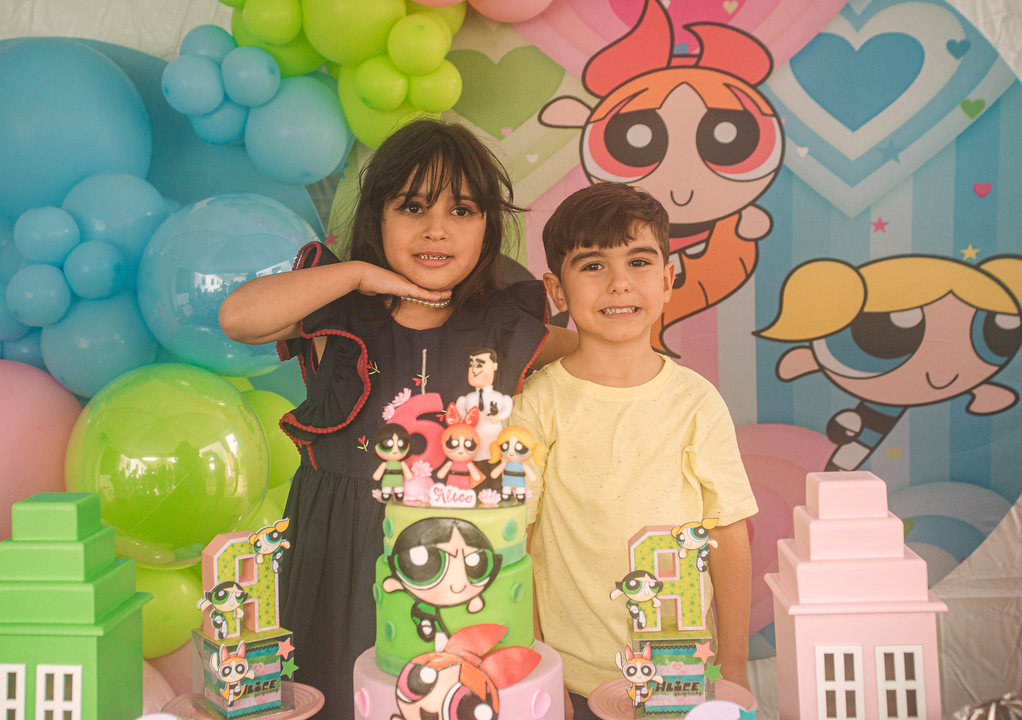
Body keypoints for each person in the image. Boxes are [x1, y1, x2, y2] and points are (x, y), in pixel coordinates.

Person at [217, 119, 576, 719]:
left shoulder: (504, 323)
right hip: (336, 549)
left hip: (455, 561)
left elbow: (595, 356)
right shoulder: (339, 308)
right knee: (335, 696)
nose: (437, 228)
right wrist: (359, 274)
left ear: (488, 226)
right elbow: (238, 318)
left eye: (462, 210)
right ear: (377, 216)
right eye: (412, 207)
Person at [511, 183, 758, 720]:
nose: (619, 283)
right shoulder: (536, 404)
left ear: (666, 280)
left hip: (681, 675)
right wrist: (538, 665)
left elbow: (728, 534)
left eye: (639, 262)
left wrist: (735, 665)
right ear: (557, 291)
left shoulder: (697, 402)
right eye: (592, 265)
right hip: (572, 680)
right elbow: (516, 542)